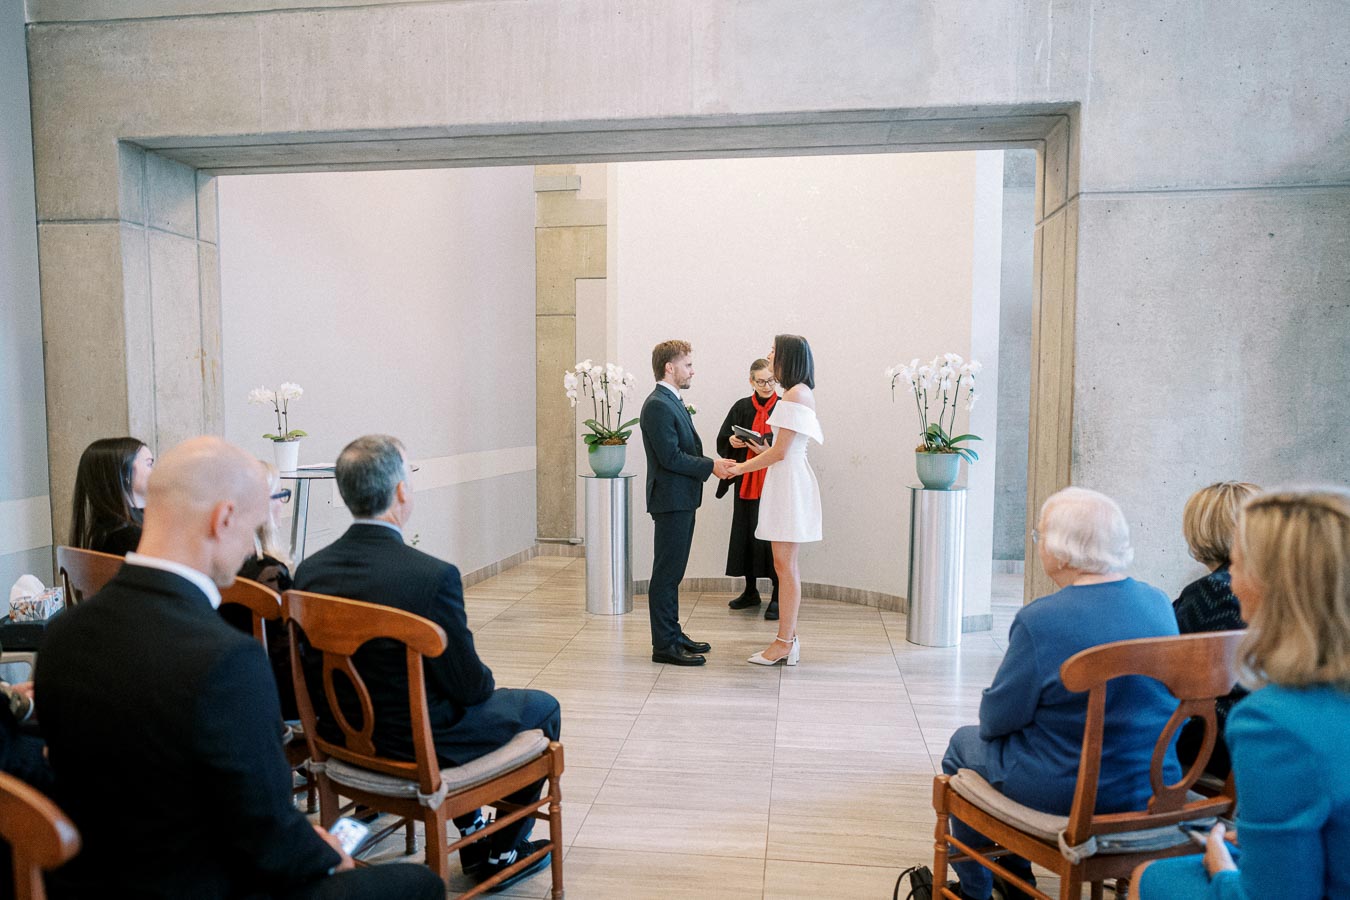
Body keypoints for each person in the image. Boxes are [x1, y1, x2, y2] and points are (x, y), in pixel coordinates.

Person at [35, 436, 442, 900]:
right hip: (204, 884)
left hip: (95, 879)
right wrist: (327, 853)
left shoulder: (63, 635)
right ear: (223, 518)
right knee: (419, 884)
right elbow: (269, 840)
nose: (251, 547)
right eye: (251, 527)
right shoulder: (226, 661)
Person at [293, 434, 560, 889]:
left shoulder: (310, 571)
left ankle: (472, 829)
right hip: (420, 748)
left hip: (341, 740)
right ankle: (502, 850)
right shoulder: (430, 577)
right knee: (542, 707)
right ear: (401, 492)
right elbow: (472, 688)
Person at [940, 487, 1181, 900]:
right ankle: (1013, 876)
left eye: (1039, 536)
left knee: (963, 745)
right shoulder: (1158, 603)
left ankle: (978, 889)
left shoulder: (1042, 620)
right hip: (1154, 783)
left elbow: (996, 721)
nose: (1038, 546)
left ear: (1063, 550)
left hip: (1068, 793)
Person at [1133, 487, 1350, 900]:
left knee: (1152, 877)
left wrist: (1220, 865)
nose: (1231, 576)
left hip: (1206, 748)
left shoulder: (1274, 722)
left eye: (1241, 560)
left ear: (1278, 583)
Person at [726, 335, 823, 666]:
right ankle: (787, 640)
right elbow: (780, 449)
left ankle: (785, 642)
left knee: (785, 566)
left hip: (789, 482)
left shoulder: (796, 393)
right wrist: (756, 454)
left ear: (787, 357)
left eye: (774, 351)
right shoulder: (799, 392)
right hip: (786, 479)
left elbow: (781, 452)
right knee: (784, 566)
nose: (769, 354)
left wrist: (740, 466)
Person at [639, 340, 735, 667]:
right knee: (666, 574)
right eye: (688, 365)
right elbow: (670, 457)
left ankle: (673, 634)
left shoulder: (670, 401)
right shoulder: (657, 405)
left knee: (673, 573)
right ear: (670, 367)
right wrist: (711, 466)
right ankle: (664, 646)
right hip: (670, 500)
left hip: (681, 498)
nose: (693, 370)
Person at [1171, 481, 1260, 779]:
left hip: (1219, 740)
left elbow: (1167, 669)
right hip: (1259, 730)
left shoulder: (1210, 593)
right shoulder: (1283, 582)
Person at [219, 462, 300, 720]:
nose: (281, 504)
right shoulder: (270, 573)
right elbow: (288, 655)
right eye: (279, 496)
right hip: (276, 701)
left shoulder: (216, 567)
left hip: (230, 692)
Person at [715, 357, 781, 619]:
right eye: (761, 381)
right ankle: (751, 591)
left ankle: (777, 595)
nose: (767, 386)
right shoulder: (741, 407)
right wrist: (732, 440)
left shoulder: (784, 407)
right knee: (748, 536)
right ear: (751, 381)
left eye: (771, 380)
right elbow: (723, 440)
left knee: (773, 541)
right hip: (745, 482)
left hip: (773, 483)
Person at [67, 436, 153, 554]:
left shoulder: (107, 529)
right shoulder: (127, 537)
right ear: (125, 473)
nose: (156, 470)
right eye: (149, 464)